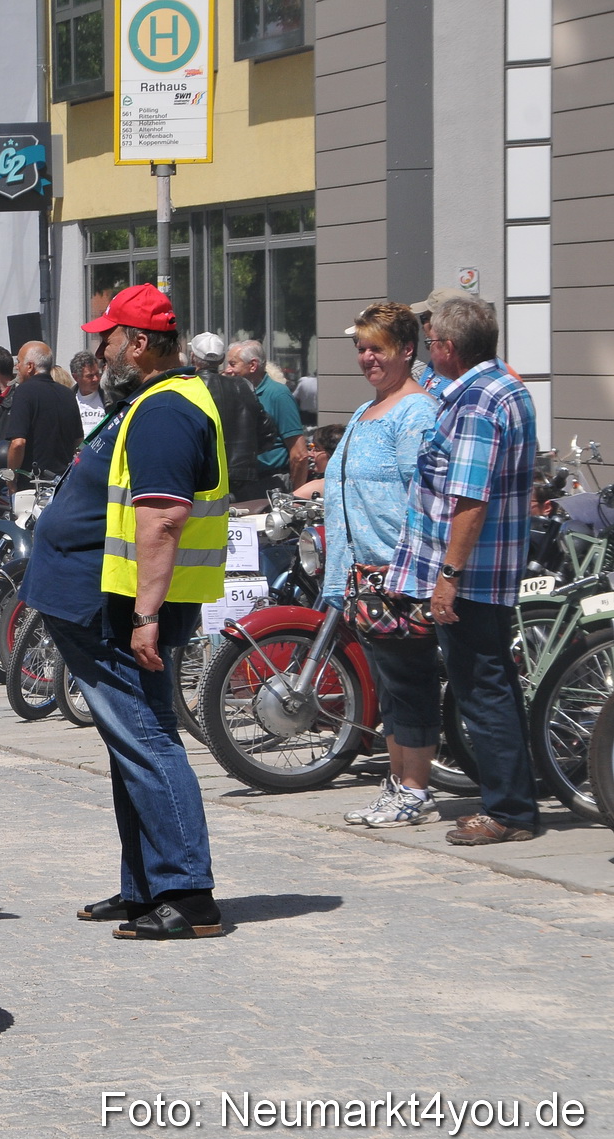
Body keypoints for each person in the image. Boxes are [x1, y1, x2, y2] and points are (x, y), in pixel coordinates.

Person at [23, 283, 227, 940]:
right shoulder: (144, 400)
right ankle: (146, 886)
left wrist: (143, 616)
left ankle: (187, 892)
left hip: (115, 607)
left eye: (107, 336)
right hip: (100, 601)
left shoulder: (166, 409)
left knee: (144, 739)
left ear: (138, 345)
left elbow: (163, 519)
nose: (98, 347)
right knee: (130, 742)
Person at [389, 295, 541, 846]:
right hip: (487, 568)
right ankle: (513, 801)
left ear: (449, 348)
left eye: (431, 345)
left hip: (472, 574)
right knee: (489, 685)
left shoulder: (477, 401)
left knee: (483, 688)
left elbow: (470, 498)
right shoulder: (500, 386)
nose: (428, 354)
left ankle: (510, 812)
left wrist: (447, 576)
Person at [320, 303, 443, 828]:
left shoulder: (414, 412)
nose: (367, 357)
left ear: (407, 350)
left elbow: (426, 497)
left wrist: (412, 570)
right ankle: (397, 784)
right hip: (362, 573)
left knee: (409, 682)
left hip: (396, 572)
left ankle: (415, 788)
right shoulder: (368, 408)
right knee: (389, 683)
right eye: (362, 348)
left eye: (378, 348)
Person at [191, 332, 282, 505]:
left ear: (193, 357)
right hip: (242, 480)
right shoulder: (243, 386)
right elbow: (268, 434)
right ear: (221, 359)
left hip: (201, 479)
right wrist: (247, 454)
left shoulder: (185, 387)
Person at [225, 339, 306, 492]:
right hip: (238, 484)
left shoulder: (278, 395)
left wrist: (296, 499)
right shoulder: (234, 393)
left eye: (232, 364)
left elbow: (299, 454)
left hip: (270, 484)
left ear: (253, 365)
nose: (227, 370)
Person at [5, 342, 83, 480]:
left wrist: (11, 477)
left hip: (33, 484)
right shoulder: (68, 394)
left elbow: (18, 443)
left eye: (18, 362)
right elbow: (78, 441)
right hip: (63, 482)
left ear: (30, 366)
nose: (16, 367)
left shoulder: (23, 392)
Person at [71, 350, 106, 428]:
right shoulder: (68, 400)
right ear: (76, 377)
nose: (96, 379)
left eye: (97, 374)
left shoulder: (110, 398)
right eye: (90, 376)